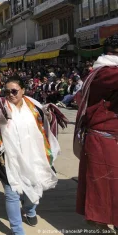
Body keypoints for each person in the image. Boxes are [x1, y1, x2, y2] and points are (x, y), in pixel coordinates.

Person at [0, 75, 64, 235]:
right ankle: (17, 231)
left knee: (34, 185)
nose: (10, 95)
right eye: (7, 92)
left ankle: (29, 209)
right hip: (8, 157)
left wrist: (49, 116)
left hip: (33, 155)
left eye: (14, 91)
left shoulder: (34, 104)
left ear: (23, 90)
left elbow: (45, 123)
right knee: (12, 193)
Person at [75, 33, 118, 232]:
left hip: (103, 136)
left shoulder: (99, 71)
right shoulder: (107, 73)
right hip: (104, 138)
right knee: (106, 187)